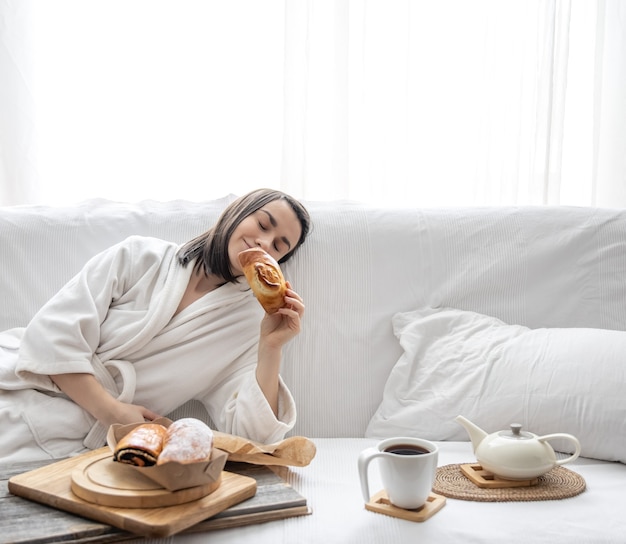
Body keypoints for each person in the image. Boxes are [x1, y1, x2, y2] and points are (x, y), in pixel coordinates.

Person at [0, 188, 311, 464]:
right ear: (236, 213)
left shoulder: (246, 324)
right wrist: (111, 412)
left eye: (279, 246)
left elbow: (253, 435)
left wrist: (271, 347)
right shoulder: (139, 256)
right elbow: (53, 334)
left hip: (80, 443)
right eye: (262, 223)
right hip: (20, 385)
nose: (264, 242)